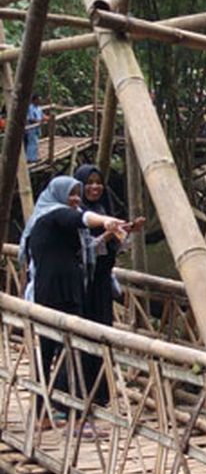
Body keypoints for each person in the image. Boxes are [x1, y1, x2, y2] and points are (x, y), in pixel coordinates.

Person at [19, 175, 126, 432]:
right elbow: (80, 218)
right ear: (58, 195)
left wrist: (110, 232)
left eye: (77, 194)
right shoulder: (53, 215)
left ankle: (58, 413)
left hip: (66, 292)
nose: (76, 199)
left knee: (67, 352)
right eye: (72, 194)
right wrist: (104, 220)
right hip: (54, 294)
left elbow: (88, 243)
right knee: (63, 352)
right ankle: (65, 415)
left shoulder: (56, 219)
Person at [73, 165, 144, 414]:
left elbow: (114, 247)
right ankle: (80, 393)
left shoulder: (104, 210)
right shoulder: (76, 214)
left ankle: (100, 394)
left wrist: (127, 230)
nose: (95, 187)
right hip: (83, 286)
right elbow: (82, 250)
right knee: (83, 335)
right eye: (89, 183)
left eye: (98, 182)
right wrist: (108, 233)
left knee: (102, 335)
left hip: (101, 283)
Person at [24, 94, 43, 162]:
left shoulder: (39, 108)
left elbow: (42, 116)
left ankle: (34, 157)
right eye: (38, 100)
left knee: (35, 143)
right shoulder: (30, 108)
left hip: (37, 127)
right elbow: (30, 119)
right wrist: (38, 121)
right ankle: (30, 158)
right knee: (31, 143)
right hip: (31, 128)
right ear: (34, 100)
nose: (39, 101)